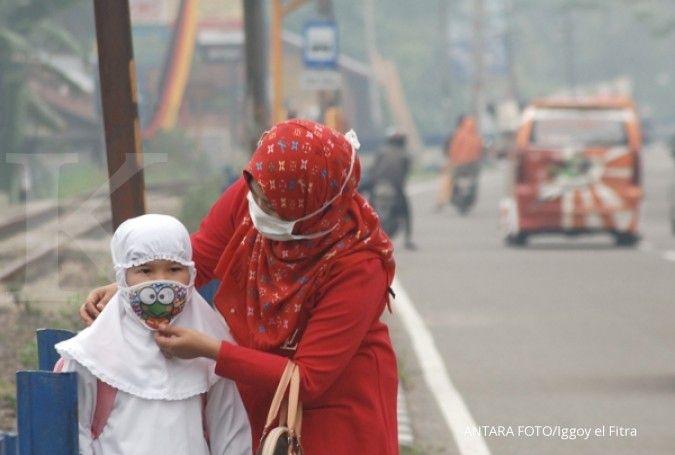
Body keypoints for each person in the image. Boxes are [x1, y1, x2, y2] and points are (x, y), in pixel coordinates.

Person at [80, 120, 399, 454]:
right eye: (256, 193)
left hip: (336, 410)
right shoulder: (254, 193)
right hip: (257, 383)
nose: (258, 208)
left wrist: (211, 350)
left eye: (273, 206)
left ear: (312, 208)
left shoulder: (358, 266)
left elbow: (307, 381)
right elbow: (198, 260)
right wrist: (132, 287)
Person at [59, 214, 251, 455]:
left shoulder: (208, 350)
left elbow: (231, 435)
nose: (161, 282)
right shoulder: (91, 355)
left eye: (174, 269)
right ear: (122, 277)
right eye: (145, 270)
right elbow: (76, 435)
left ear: (191, 274)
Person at [365, 127, 416, 249]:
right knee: (406, 212)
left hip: (376, 184)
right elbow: (406, 172)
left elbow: (373, 169)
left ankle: (363, 236)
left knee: (364, 208)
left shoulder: (381, 151)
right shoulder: (405, 155)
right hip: (395, 187)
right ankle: (408, 239)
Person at [436, 115, 484, 209]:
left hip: (459, 165)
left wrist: (453, 160)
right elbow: (480, 152)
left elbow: (452, 150)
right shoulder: (477, 137)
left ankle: (442, 200)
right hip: (473, 167)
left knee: (448, 178)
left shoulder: (458, 135)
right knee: (475, 180)